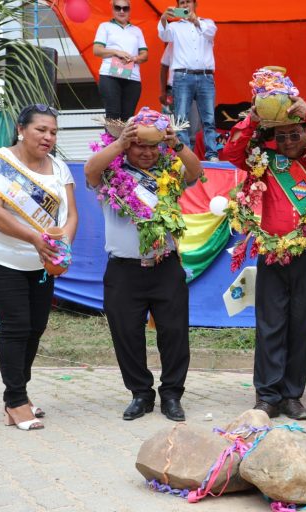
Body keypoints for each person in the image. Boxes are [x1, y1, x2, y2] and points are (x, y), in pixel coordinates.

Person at [222, 74, 306, 420]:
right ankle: (267, 395)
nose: (290, 140)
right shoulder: (262, 162)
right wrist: (253, 116)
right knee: (270, 325)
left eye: (296, 133)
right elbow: (230, 149)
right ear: (274, 138)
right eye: (283, 135)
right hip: (272, 253)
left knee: (301, 325)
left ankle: (292, 395)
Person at [84, 109, 203, 422]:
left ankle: (172, 395)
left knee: (174, 333)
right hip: (123, 270)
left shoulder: (168, 172)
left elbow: (196, 172)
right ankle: (140, 394)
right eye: (140, 146)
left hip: (165, 266)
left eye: (152, 147)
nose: (147, 153)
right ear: (128, 145)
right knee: (126, 334)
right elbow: (89, 171)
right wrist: (120, 143)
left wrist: (177, 145)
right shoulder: (111, 175)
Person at [0, 104, 78, 430]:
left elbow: (70, 215)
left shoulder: (59, 169)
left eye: (53, 131)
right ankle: (15, 402)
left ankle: (19, 394)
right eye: (41, 129)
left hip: (41, 260)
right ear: (21, 129)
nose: (48, 137)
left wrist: (62, 248)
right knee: (16, 325)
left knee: (36, 327)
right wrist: (35, 237)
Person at [158, 0, 219, 160]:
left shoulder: (207, 23)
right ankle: (187, 156)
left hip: (205, 76)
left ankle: (212, 154)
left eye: (188, 2)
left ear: (195, 4)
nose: (185, 5)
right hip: (183, 76)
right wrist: (164, 18)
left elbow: (210, 33)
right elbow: (163, 34)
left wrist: (195, 20)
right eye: (182, 3)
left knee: (209, 119)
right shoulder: (175, 27)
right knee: (181, 120)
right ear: (178, 7)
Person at [94, 0, 148, 121]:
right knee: (113, 113)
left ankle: (126, 140)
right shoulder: (105, 26)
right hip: (109, 75)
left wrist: (134, 58)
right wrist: (116, 52)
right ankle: (110, 141)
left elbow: (145, 55)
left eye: (125, 8)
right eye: (118, 8)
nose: (121, 11)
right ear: (112, 9)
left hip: (132, 77)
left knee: (128, 117)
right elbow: (97, 50)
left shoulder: (137, 30)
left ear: (129, 10)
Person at [159, 43, 202, 144]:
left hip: (194, 91)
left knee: (192, 129)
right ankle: (166, 157)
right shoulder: (173, 44)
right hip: (172, 90)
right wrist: (162, 91)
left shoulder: (201, 43)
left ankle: (188, 157)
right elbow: (164, 67)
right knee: (167, 128)